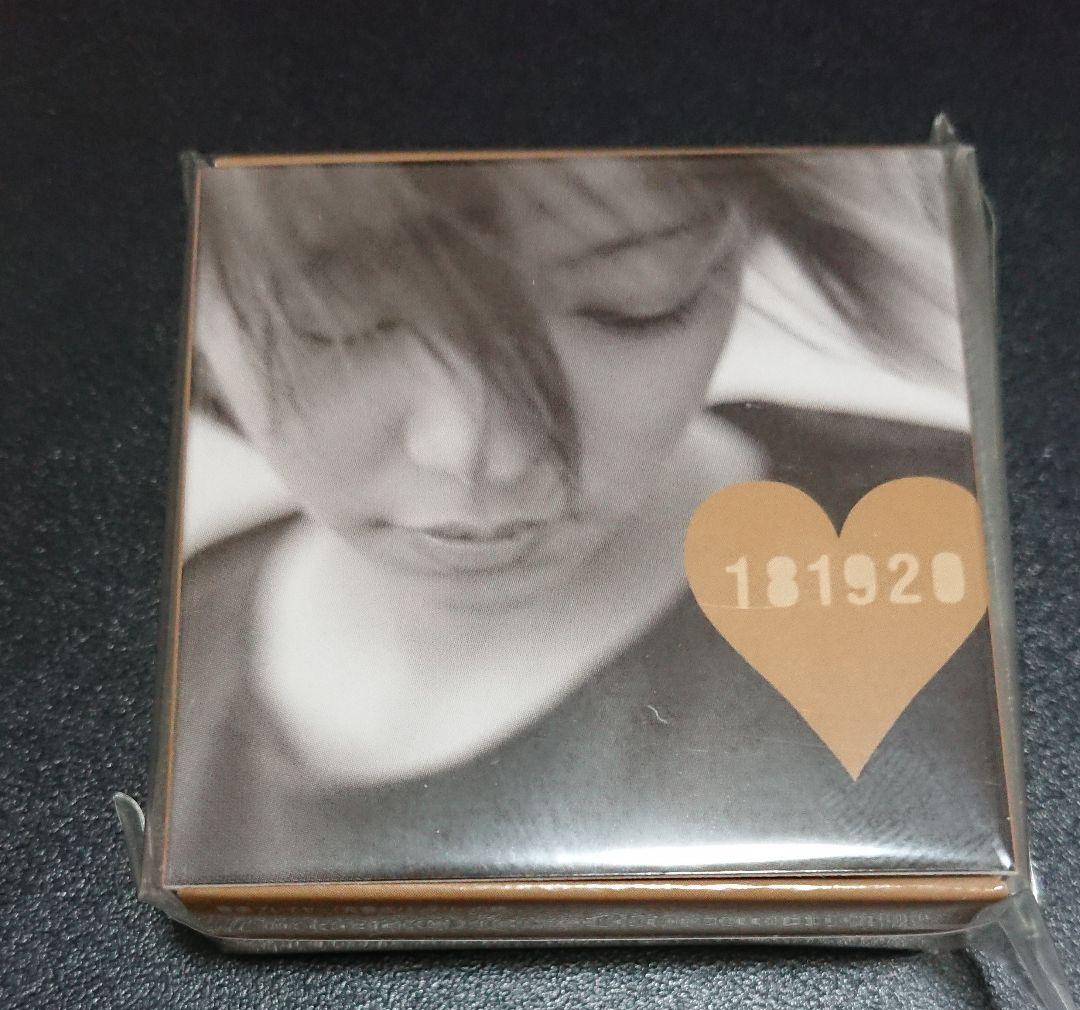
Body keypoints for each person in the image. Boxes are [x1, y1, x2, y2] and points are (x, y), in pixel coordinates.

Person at [167, 152, 1011, 884]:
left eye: (630, 303)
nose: (490, 454)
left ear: (741, 240)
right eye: (336, 327)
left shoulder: (991, 560)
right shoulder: (153, 662)